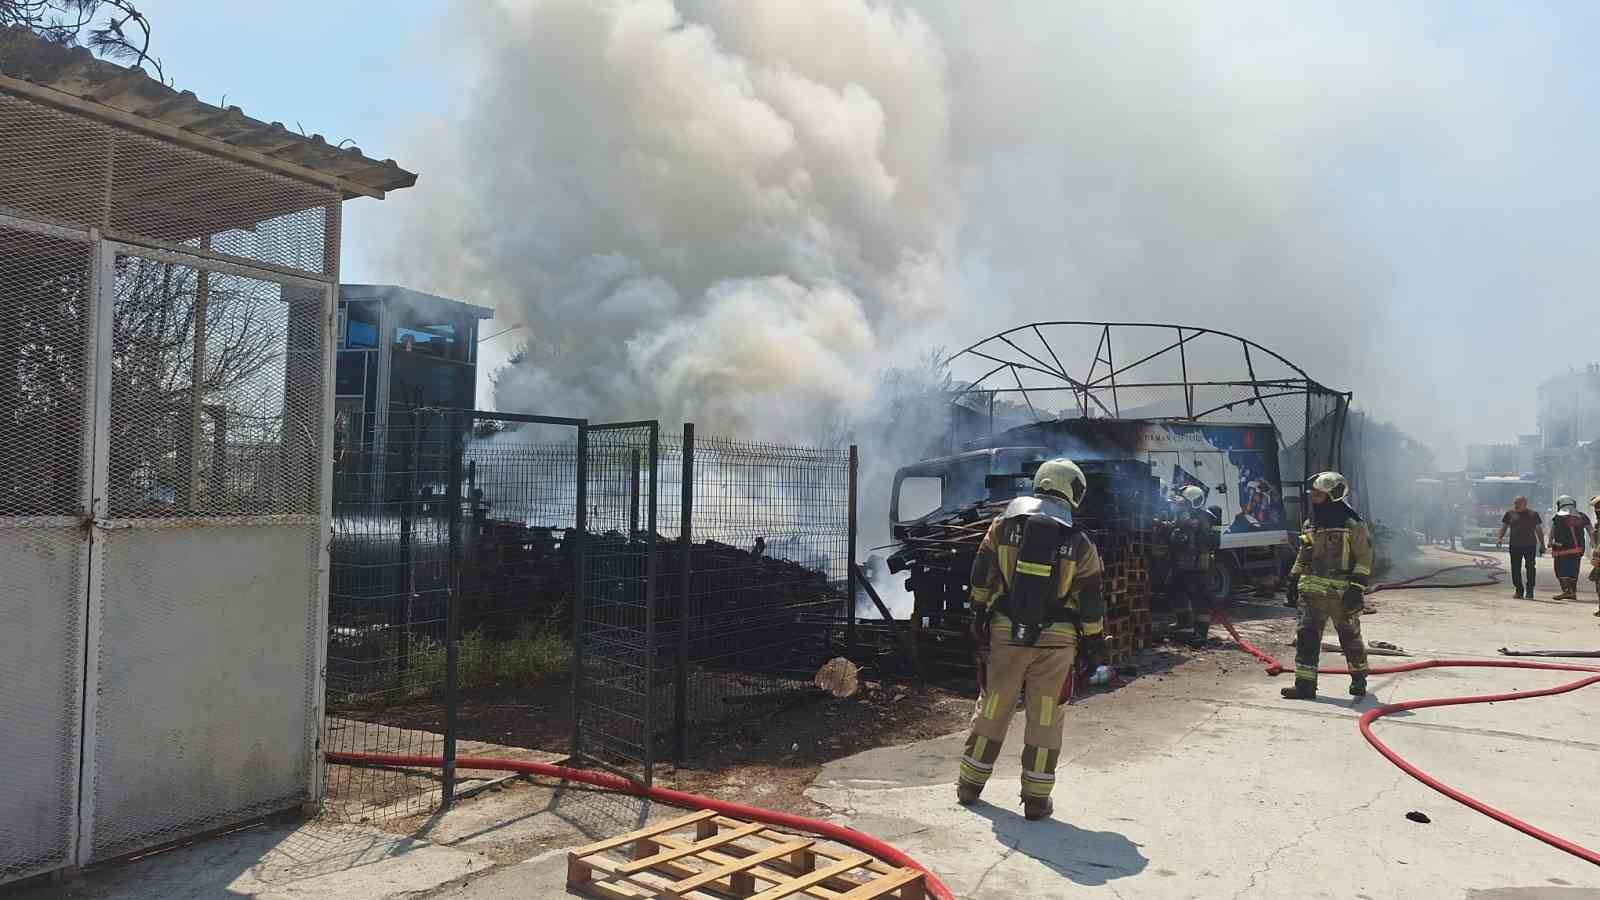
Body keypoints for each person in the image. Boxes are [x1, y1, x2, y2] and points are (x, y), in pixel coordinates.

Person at [957, 457, 1104, 821]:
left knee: (993, 706)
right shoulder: (1080, 542)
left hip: (1007, 634)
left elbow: (981, 575)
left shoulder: (1001, 527)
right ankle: (1036, 799)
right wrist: (1095, 643)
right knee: (1045, 717)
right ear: (1073, 491)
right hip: (1057, 642)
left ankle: (969, 786)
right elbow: (1090, 600)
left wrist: (977, 612)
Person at [1282, 471, 1373, 700]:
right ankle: (1304, 685)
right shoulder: (1311, 523)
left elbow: (1364, 558)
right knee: (1306, 638)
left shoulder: (1353, 524)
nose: (1314, 497)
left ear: (1333, 495)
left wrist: (1356, 588)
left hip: (1341, 593)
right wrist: (1293, 580)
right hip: (1311, 594)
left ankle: (1359, 678)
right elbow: (1304, 555)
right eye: (1313, 493)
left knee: (1350, 638)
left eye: (1319, 494)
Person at [1157, 485, 1221, 645]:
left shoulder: (1201, 520)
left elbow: (1181, 540)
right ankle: (1184, 622)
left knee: (1200, 598)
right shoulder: (1184, 518)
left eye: (1182, 502)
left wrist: (1168, 530)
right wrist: (1167, 527)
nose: (1177, 505)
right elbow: (1177, 533)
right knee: (1173, 589)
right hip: (1183, 566)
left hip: (1198, 568)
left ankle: (1200, 633)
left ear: (1193, 503)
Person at [1495, 496, 1546, 599]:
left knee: (1530, 567)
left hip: (1530, 546)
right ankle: (1519, 590)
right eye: (1515, 502)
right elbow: (1504, 527)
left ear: (1525, 503)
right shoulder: (1509, 514)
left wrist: (1542, 544)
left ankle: (1530, 590)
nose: (1515, 505)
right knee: (1515, 568)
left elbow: (1539, 530)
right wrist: (1499, 538)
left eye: (1518, 503)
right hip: (1515, 545)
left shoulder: (1533, 514)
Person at [1549, 495, 1593, 600]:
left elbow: (1553, 530)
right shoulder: (1582, 516)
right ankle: (1572, 592)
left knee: (1560, 570)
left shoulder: (1558, 516)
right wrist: (1593, 542)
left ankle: (1567, 591)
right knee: (1573, 569)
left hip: (1561, 549)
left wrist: (1550, 541)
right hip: (1577, 549)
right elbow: (1590, 530)